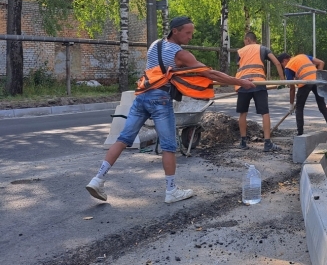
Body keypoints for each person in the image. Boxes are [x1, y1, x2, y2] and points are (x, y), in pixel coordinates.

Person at [85, 16, 256, 204]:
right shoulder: (179, 53)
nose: (191, 37)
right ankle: (171, 190)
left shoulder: (155, 45)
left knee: (123, 139)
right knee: (168, 145)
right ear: (175, 31)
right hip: (160, 99)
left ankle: (97, 179)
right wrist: (241, 82)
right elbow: (211, 73)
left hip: (142, 95)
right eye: (188, 33)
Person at [235, 32, 285, 151]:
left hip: (243, 84)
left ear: (247, 40)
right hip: (259, 84)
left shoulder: (240, 51)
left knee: (243, 113)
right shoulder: (262, 49)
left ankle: (243, 142)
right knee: (265, 113)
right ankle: (267, 143)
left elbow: (239, 66)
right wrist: (283, 80)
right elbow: (277, 62)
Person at [276, 52, 327, 136]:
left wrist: (291, 104)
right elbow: (321, 62)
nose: (283, 67)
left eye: (282, 64)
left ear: (285, 60)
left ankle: (300, 133)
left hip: (305, 83)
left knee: (299, 108)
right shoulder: (303, 56)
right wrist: (319, 76)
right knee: (322, 105)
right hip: (316, 81)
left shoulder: (288, 66)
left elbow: (292, 88)